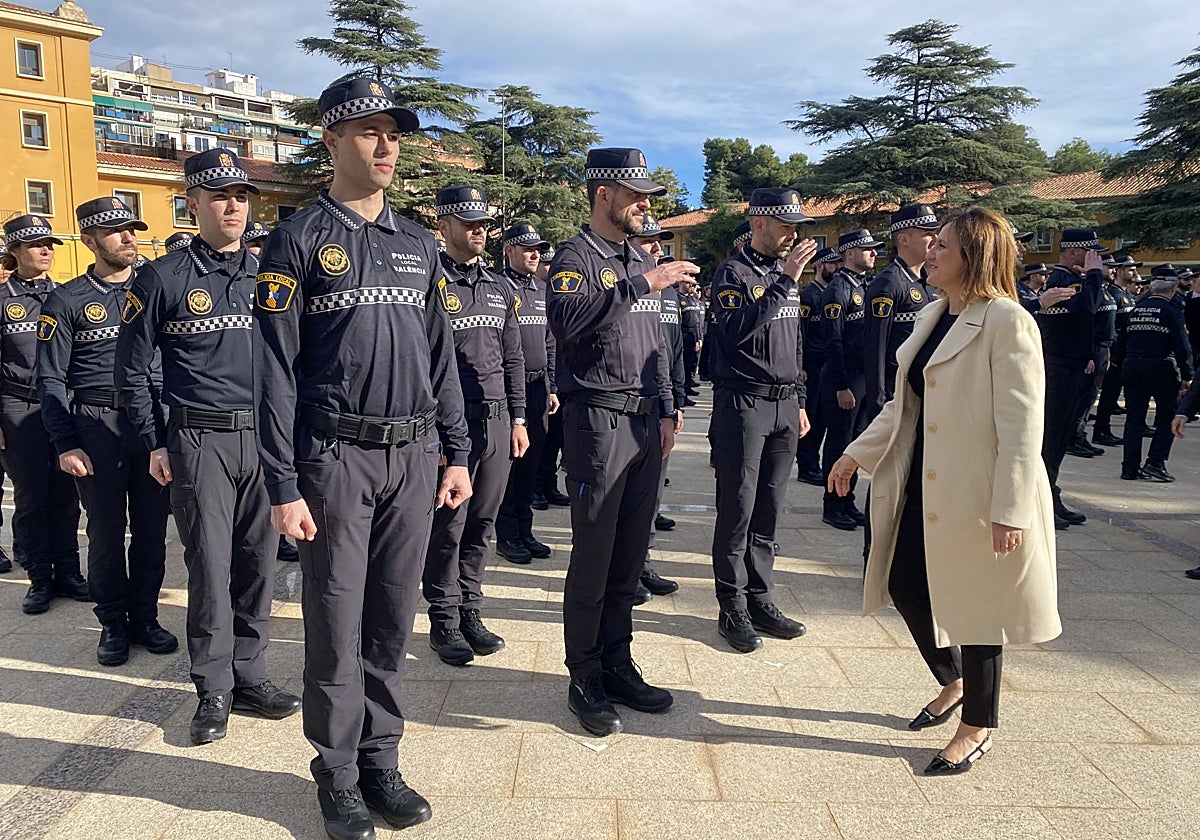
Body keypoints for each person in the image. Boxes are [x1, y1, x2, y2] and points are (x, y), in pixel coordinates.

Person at [253, 78, 471, 838]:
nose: (386, 146)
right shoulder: (298, 239)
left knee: (390, 620)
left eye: (394, 133)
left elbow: (442, 357)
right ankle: (338, 774)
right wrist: (283, 481)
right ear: (331, 142)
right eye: (369, 131)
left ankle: (383, 759)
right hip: (335, 457)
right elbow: (273, 371)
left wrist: (456, 452)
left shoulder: (418, 243)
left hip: (413, 456)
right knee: (336, 619)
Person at [830, 206, 1061, 776]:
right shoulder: (934, 314)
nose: (929, 252)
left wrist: (1010, 508)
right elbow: (904, 404)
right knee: (904, 582)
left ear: (973, 258)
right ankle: (954, 680)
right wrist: (854, 452)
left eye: (943, 246)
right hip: (921, 484)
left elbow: (1023, 425)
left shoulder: (1008, 321)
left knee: (980, 609)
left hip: (978, 491)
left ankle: (978, 723)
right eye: (931, 244)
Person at [116, 149, 302, 744]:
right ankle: (213, 686)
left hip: (266, 438)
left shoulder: (270, 273)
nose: (233, 206)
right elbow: (131, 367)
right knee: (210, 565)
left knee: (259, 563)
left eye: (242, 197)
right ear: (192, 203)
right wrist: (153, 441)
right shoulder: (162, 277)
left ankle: (250, 675)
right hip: (199, 440)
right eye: (219, 196)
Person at [547, 147, 698, 737]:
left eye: (648, 198)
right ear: (603, 194)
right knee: (594, 553)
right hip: (597, 422)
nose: (644, 206)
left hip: (642, 423)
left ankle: (617, 659)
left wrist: (667, 407)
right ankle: (583, 672)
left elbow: (657, 343)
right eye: (635, 195)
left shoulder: (637, 259)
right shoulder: (576, 256)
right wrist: (643, 281)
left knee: (630, 554)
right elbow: (567, 320)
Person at [37, 198, 173, 666]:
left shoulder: (156, 286)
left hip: (151, 424)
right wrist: (65, 442)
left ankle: (147, 616)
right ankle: (113, 622)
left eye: (132, 229)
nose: (129, 238)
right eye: (116, 232)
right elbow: (50, 379)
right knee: (106, 531)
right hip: (96, 426)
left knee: (153, 531)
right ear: (90, 241)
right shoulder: (67, 300)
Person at [707, 188, 816, 652]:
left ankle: (760, 596)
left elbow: (794, 344)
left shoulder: (782, 276)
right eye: (783, 224)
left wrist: (802, 399)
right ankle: (731, 605)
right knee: (738, 507)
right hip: (743, 403)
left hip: (784, 404)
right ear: (758, 224)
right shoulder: (734, 272)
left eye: (796, 225)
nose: (792, 233)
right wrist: (785, 282)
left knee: (770, 507)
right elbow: (735, 333)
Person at [423, 186, 527, 667]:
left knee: (482, 524)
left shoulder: (500, 286)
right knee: (449, 526)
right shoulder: (430, 283)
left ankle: (470, 609)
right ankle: (443, 620)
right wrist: (439, 435)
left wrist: (519, 417)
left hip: (498, 420)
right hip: (451, 423)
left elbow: (513, 358)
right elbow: (423, 364)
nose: (480, 228)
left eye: (484, 221)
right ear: (444, 226)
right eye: (468, 221)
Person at [0, 215, 85, 615]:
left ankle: (69, 570)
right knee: (32, 496)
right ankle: (39, 577)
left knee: (67, 494)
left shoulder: (66, 296)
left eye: (50, 243)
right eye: (36, 244)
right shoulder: (3, 300)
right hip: (19, 407)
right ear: (15, 252)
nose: (46, 249)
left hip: (63, 404)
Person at [1033, 229, 1105, 530]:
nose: (1097, 259)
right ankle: (1044, 498)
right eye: (1092, 253)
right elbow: (1086, 308)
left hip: (1072, 365)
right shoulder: (1064, 280)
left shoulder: (1076, 280)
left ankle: (1051, 494)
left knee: (1060, 439)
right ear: (1075, 252)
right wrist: (1094, 276)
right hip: (1058, 368)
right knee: (1051, 438)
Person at [496, 222, 558, 566]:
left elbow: (549, 340)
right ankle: (507, 534)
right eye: (526, 248)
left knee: (532, 463)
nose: (534, 254)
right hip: (508, 390)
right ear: (509, 250)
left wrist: (550, 385)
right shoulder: (500, 286)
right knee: (512, 465)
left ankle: (525, 529)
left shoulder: (540, 289)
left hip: (537, 388)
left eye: (538, 249)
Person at [631, 214, 684, 600]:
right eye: (650, 240)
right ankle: (627, 570)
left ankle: (642, 560)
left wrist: (675, 402)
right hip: (626, 404)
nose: (656, 248)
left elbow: (672, 350)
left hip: (661, 401)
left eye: (659, 242)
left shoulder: (668, 292)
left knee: (652, 494)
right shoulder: (627, 287)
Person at [819, 228, 884, 531]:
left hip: (862, 376)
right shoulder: (838, 290)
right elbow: (833, 342)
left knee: (856, 444)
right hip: (844, 378)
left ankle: (847, 499)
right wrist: (842, 385)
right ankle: (833, 504)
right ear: (850, 253)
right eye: (867, 249)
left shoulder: (863, 285)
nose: (873, 253)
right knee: (839, 444)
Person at [862, 205, 938, 426]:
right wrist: (878, 404)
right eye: (927, 233)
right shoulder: (888, 283)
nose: (934, 239)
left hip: (926, 389)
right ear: (904, 239)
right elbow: (875, 347)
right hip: (898, 393)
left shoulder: (931, 281)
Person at [1116, 270, 1193, 482]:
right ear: (1174, 288)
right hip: (1161, 367)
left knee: (1134, 418)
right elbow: (1182, 346)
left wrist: (1120, 364)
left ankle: (1129, 467)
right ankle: (1155, 463)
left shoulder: (1136, 310)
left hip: (1132, 366)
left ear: (1151, 287)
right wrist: (1188, 375)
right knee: (1168, 416)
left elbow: (1120, 342)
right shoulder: (1172, 311)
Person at [794, 247, 839, 485]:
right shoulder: (808, 295)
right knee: (809, 414)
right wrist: (799, 365)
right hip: (810, 362)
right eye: (832, 264)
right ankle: (806, 464)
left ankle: (814, 462)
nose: (837, 268)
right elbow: (799, 331)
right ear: (820, 266)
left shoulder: (831, 292)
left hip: (825, 362)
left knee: (822, 416)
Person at [1093, 255, 1141, 447]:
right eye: (1130, 269)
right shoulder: (1112, 293)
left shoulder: (1126, 295)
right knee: (1106, 394)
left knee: (1112, 395)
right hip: (1112, 350)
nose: (1135, 273)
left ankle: (1104, 429)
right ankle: (1100, 430)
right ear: (1121, 271)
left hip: (1123, 352)